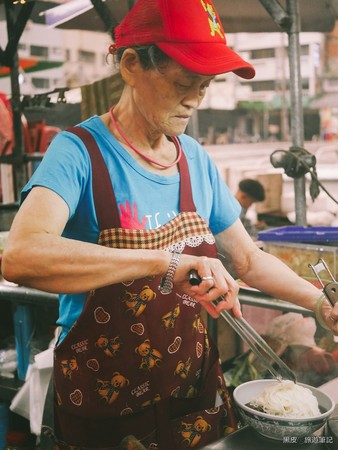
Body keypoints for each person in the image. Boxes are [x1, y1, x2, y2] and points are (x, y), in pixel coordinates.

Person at [2, 0, 338, 448]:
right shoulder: (79, 152)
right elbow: (22, 256)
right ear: (131, 63)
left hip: (191, 395)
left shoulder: (193, 158)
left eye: (205, 86)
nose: (194, 100)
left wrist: (319, 304)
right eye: (183, 82)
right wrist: (165, 260)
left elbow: (248, 260)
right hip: (105, 404)